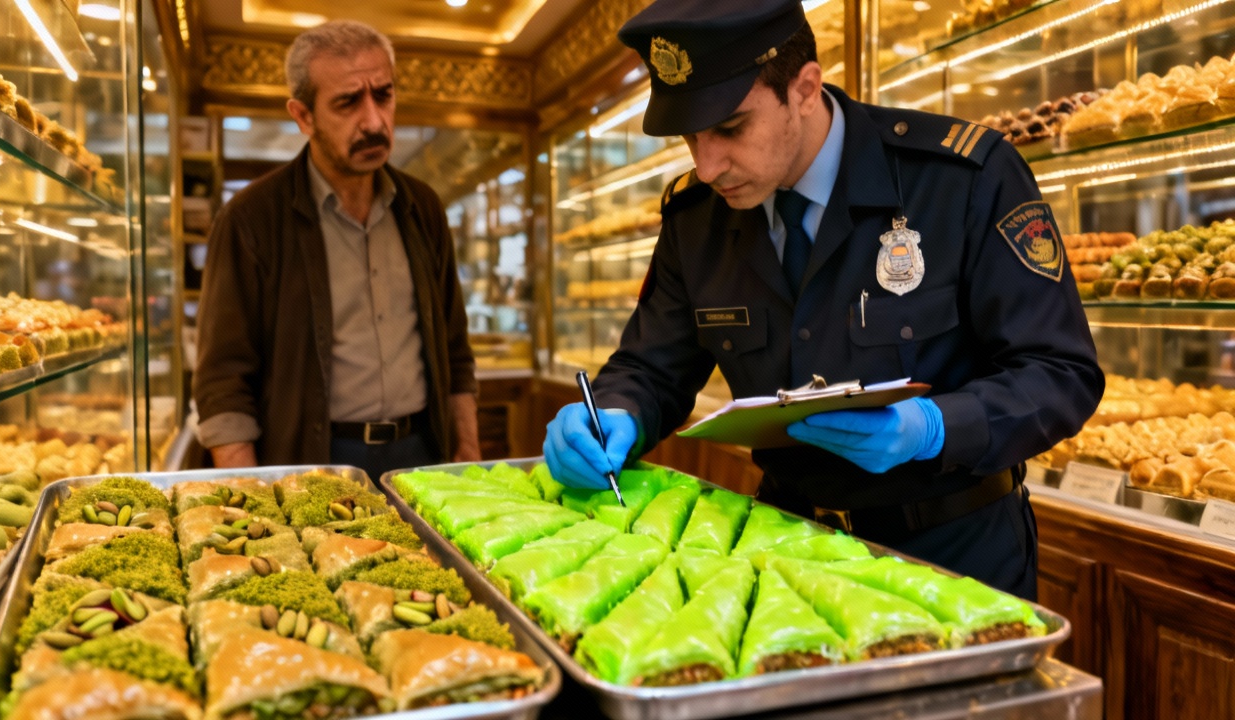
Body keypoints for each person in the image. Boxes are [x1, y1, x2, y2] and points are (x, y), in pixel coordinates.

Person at [543, 0, 1104, 599]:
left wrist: (935, 426)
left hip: (953, 555)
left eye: (730, 128)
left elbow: (1059, 372)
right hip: (784, 551)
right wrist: (612, 412)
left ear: (805, 88)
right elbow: (651, 365)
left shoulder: (961, 179)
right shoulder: (696, 218)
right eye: (689, 136)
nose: (707, 166)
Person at [193, 20, 480, 479]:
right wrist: (247, 495)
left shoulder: (421, 207)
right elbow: (222, 381)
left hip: (423, 453)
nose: (373, 121)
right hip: (313, 461)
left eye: (383, 95)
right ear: (303, 115)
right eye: (348, 102)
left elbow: (454, 348)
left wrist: (467, 452)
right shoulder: (251, 219)